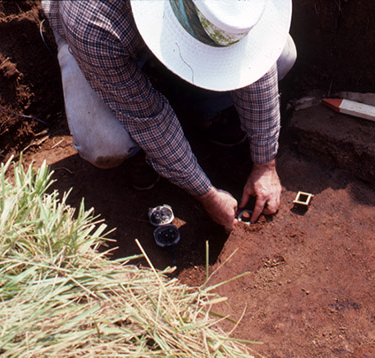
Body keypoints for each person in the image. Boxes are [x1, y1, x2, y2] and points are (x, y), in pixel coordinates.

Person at [42, 0, 296, 232]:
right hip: (98, 44)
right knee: (105, 144)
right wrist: (206, 194)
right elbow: (148, 118)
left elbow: (255, 62)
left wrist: (265, 164)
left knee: (281, 54)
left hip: (167, 32)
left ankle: (189, 102)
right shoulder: (93, 21)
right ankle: (149, 144)